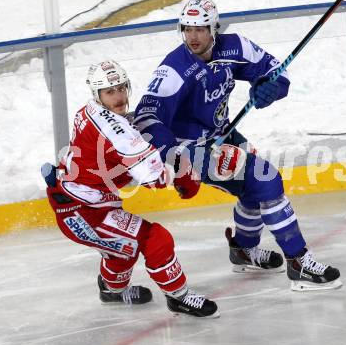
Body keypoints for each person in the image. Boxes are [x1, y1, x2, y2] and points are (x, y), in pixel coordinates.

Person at [134, 0, 342, 291]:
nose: (193, 36)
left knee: (253, 188)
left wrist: (268, 87)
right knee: (266, 180)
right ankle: (298, 261)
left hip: (223, 136)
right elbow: (145, 119)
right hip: (192, 148)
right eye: (187, 29)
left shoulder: (234, 47)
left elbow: (274, 70)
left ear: (214, 28)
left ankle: (243, 248)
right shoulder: (174, 70)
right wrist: (180, 157)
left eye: (201, 29)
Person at [41, 60, 219, 318]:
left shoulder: (88, 110)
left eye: (122, 88)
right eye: (110, 92)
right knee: (154, 238)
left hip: (79, 201)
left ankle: (111, 290)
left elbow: (121, 156)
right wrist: (183, 175)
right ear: (98, 95)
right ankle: (178, 297)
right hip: (83, 212)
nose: (120, 96)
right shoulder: (115, 130)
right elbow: (151, 175)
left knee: (123, 249)